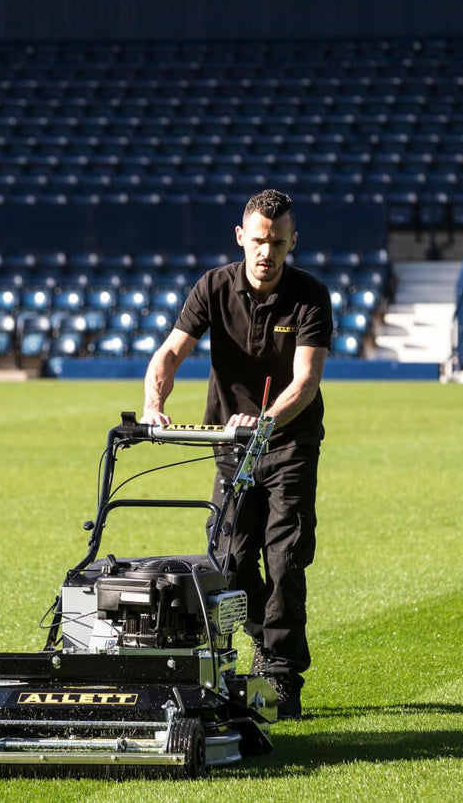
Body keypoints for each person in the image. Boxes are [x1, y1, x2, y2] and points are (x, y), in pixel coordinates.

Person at [140, 189, 331, 720]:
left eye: (277, 242)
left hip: (288, 442)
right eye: (259, 241)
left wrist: (265, 421)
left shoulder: (310, 296)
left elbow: (306, 382)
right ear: (240, 237)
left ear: (292, 242)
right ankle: (267, 645)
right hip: (229, 447)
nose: (266, 252)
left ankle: (281, 675)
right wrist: (154, 405)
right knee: (230, 560)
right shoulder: (213, 287)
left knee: (286, 559)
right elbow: (170, 354)